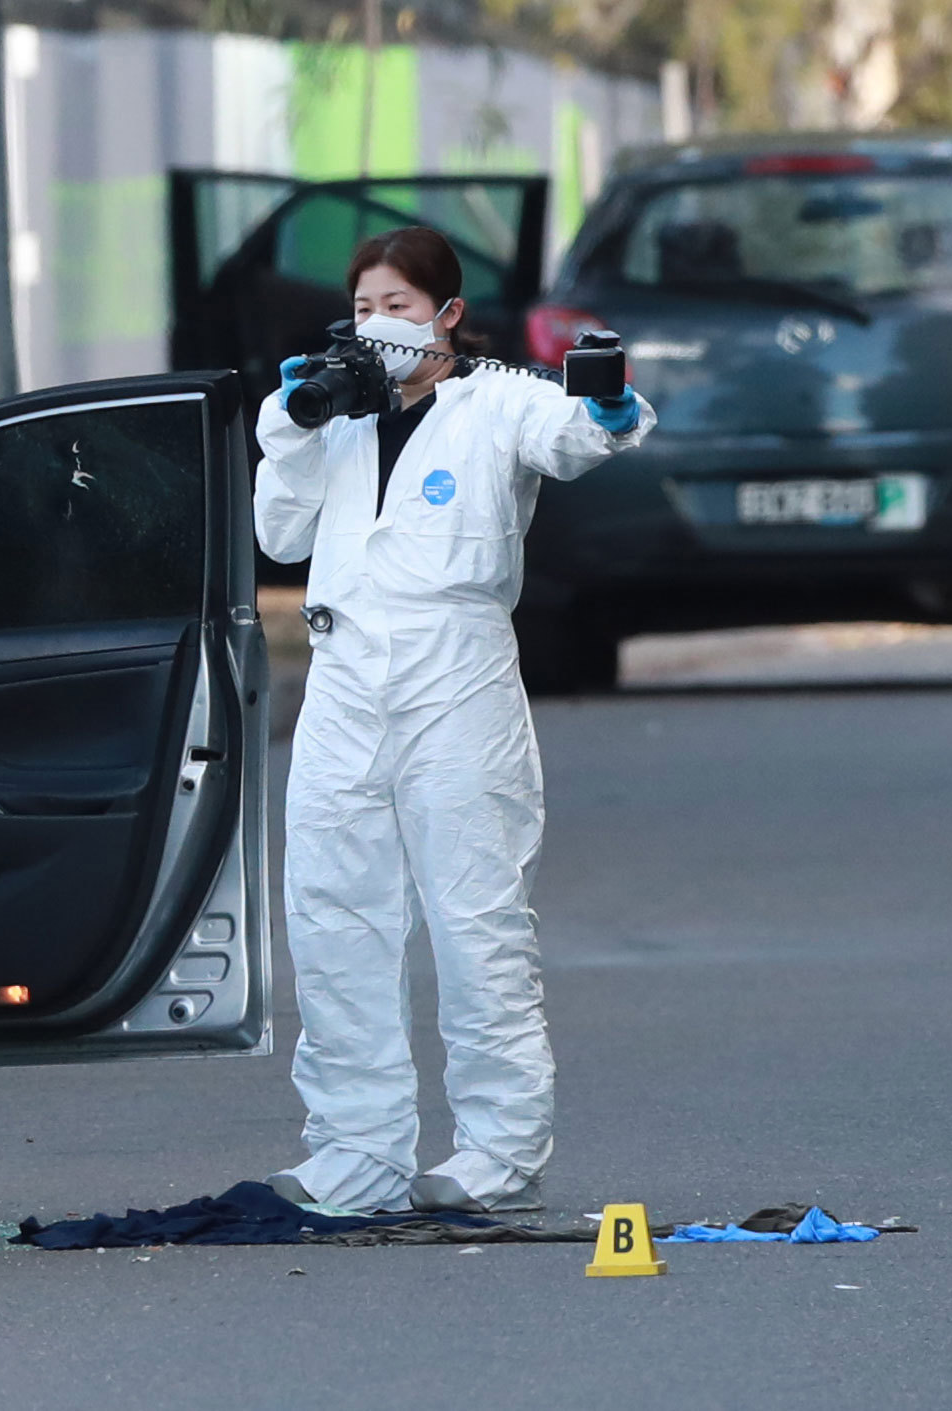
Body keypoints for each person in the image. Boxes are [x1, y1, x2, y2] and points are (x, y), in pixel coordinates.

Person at [255, 226, 653, 1215]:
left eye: (396, 307)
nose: (376, 328)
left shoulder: (496, 402)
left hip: (457, 676)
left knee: (474, 918)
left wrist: (603, 393)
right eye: (361, 309)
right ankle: (356, 1149)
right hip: (345, 675)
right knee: (333, 912)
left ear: (446, 315)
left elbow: (579, 435)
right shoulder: (337, 423)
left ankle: (501, 1149)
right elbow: (278, 531)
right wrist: (292, 423)